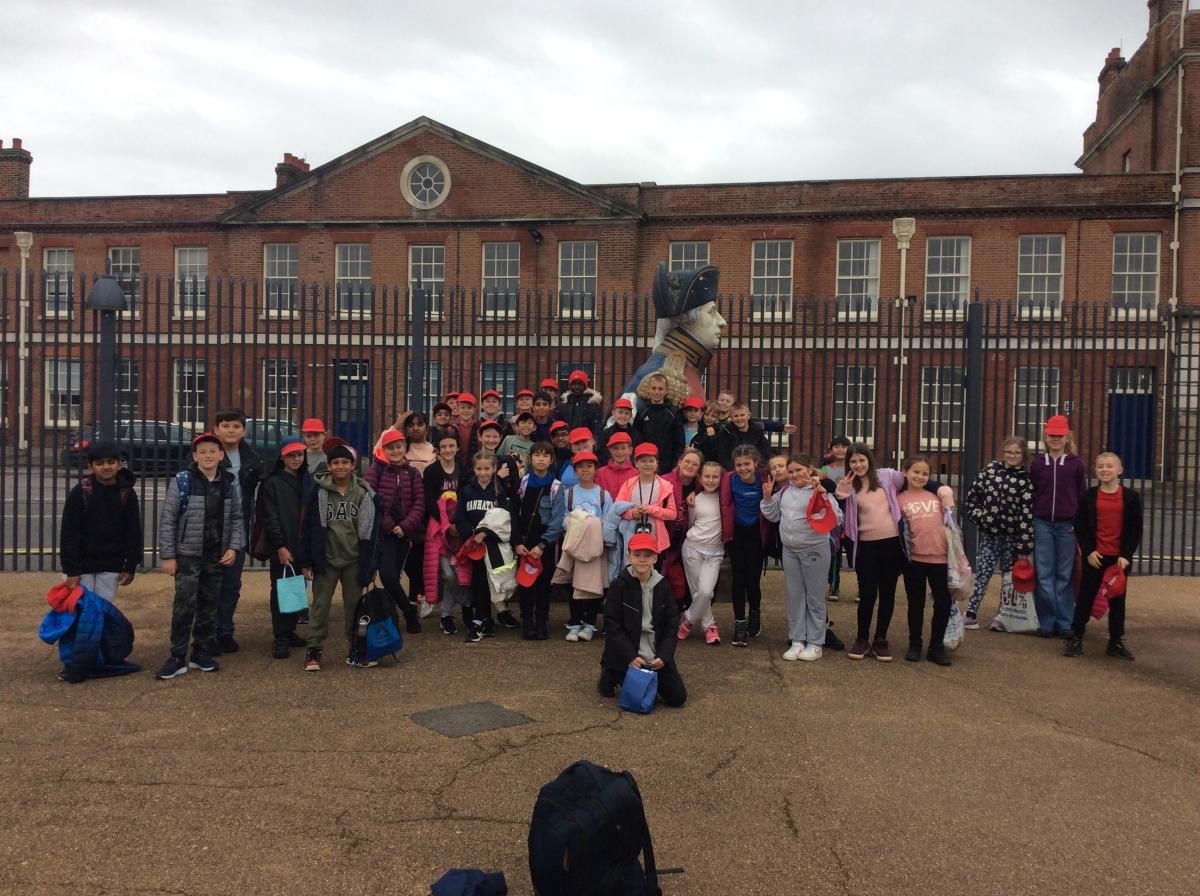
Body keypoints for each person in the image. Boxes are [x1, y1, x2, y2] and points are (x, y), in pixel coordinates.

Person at [154, 433, 244, 680]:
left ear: (221, 455)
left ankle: (201, 652)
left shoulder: (228, 482)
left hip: (215, 555)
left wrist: (233, 547)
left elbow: (237, 518)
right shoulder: (182, 481)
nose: (208, 456)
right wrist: (168, 555)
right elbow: (168, 519)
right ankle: (177, 656)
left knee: (209, 605)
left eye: (213, 451)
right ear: (194, 456)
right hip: (188, 556)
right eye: (202, 452)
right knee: (184, 606)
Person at [299, 443, 378, 671]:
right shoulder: (319, 491)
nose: (340, 466)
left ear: (353, 465)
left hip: (354, 559)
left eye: (345, 462)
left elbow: (370, 532)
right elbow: (308, 527)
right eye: (335, 463)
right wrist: (305, 559)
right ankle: (314, 648)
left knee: (354, 607)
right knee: (320, 605)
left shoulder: (363, 492)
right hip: (327, 558)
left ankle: (355, 648)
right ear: (329, 466)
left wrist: (371, 564)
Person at [760, 454, 843, 661]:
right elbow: (773, 516)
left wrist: (823, 495)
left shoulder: (818, 489)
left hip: (814, 548)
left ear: (810, 469)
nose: (795, 474)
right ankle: (797, 640)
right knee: (795, 595)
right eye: (791, 471)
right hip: (790, 550)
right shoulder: (785, 491)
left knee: (814, 597)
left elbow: (836, 518)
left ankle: (815, 643)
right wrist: (768, 498)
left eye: (799, 470)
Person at [1064, 452, 1143, 661]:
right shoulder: (1088, 496)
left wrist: (1126, 554)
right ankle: (1076, 637)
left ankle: (1115, 641)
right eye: (1100, 466)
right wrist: (1089, 550)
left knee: (1117, 602)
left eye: (1109, 466)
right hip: (1095, 556)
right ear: (1095, 470)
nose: (1104, 470)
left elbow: (1135, 529)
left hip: (1118, 560)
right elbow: (1081, 525)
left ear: (1119, 470)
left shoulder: (1131, 498)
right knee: (1085, 598)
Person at [597, 532, 687, 708]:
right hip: (628, 652)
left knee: (678, 698)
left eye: (647, 555)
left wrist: (664, 656)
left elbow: (671, 625)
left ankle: (647, 673)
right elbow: (612, 624)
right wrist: (630, 656)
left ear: (655, 558)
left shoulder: (663, 586)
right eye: (637, 555)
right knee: (635, 696)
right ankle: (610, 671)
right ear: (628, 556)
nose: (642, 560)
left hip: (655, 653)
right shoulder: (619, 585)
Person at [834, 444, 907, 663]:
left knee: (887, 594)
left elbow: (914, 478)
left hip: (891, 545)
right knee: (867, 594)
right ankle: (862, 638)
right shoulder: (848, 484)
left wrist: (941, 489)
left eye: (861, 460)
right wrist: (842, 495)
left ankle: (881, 639)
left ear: (869, 460)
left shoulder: (887, 476)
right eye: (853, 461)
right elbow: (839, 513)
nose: (858, 465)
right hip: (866, 547)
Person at [962, 437, 1034, 629]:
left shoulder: (1026, 480)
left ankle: (1003, 616)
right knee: (982, 573)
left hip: (1012, 538)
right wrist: (980, 516)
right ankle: (970, 614)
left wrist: (1024, 544)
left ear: (1023, 455)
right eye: (1009, 452)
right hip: (990, 535)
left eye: (1017, 452)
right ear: (1003, 453)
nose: (1012, 455)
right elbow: (973, 496)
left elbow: (1026, 514)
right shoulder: (990, 471)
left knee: (1008, 579)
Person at [59, 439, 142, 602]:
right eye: (99, 463)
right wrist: (71, 569)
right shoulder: (80, 492)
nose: (106, 467)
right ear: (90, 467)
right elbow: (69, 532)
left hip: (111, 564)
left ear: (119, 465)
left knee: (103, 608)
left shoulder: (126, 493)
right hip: (81, 565)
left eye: (111, 462)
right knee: (81, 609)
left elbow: (133, 531)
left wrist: (130, 565)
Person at [1030, 415, 1088, 638]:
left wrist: (1078, 522)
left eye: (1059, 435)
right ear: (1046, 437)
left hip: (1067, 525)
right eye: (1051, 435)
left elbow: (1082, 495)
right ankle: (1047, 621)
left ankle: (1065, 622)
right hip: (1042, 522)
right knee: (1044, 573)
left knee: (1065, 575)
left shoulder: (1076, 464)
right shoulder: (1037, 463)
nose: (1055, 439)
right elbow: (1033, 492)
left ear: (1066, 437)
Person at [213, 407, 265, 655]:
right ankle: (206, 633)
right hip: (209, 531)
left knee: (231, 585)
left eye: (236, 426)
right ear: (216, 429)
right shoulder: (205, 453)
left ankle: (224, 631)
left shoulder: (251, 459)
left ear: (243, 431)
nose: (231, 431)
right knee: (208, 585)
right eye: (225, 426)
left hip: (238, 529)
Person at [364, 430, 426, 634]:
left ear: (404, 447)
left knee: (394, 577)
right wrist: (390, 526)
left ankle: (393, 618)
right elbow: (370, 499)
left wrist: (406, 526)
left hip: (405, 533)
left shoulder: (412, 473)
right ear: (384, 449)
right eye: (391, 448)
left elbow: (419, 502)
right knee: (388, 575)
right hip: (384, 533)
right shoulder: (376, 470)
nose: (396, 451)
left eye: (399, 446)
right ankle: (408, 610)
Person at [897, 455, 956, 666]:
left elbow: (950, 521)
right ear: (905, 472)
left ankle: (936, 646)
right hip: (914, 559)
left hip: (940, 558)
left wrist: (946, 493)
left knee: (943, 603)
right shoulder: (899, 499)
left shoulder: (936, 495)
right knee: (916, 603)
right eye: (915, 472)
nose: (920, 476)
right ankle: (915, 644)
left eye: (925, 473)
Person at [260, 436, 310, 659]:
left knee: (296, 587)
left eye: (299, 455)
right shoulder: (272, 483)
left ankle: (289, 630)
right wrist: (280, 545)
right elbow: (270, 517)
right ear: (282, 457)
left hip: (301, 542)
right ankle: (280, 635)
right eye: (291, 455)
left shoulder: (306, 479)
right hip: (283, 545)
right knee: (281, 589)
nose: (296, 459)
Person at [454, 451, 512, 642]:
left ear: (494, 468)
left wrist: (484, 533)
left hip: (492, 545)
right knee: (477, 581)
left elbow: (504, 518)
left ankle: (488, 618)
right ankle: (480, 618)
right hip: (473, 546)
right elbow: (459, 517)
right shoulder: (466, 491)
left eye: (487, 468)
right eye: (479, 468)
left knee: (491, 582)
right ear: (474, 469)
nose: (483, 472)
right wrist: (470, 535)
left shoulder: (499, 491)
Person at [512, 441, 567, 640]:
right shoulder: (523, 483)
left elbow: (557, 520)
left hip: (545, 545)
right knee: (525, 584)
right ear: (530, 458)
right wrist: (517, 542)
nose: (541, 459)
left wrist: (542, 545)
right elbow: (514, 514)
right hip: (525, 543)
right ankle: (527, 622)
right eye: (537, 455)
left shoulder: (556, 487)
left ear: (551, 460)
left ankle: (542, 623)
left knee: (544, 584)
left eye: (545, 455)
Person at [557, 450, 612, 641]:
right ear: (575, 470)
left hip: (594, 549)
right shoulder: (569, 494)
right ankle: (575, 622)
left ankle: (589, 624)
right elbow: (564, 518)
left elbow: (608, 521)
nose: (585, 470)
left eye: (589, 466)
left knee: (591, 587)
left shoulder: (603, 494)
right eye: (580, 466)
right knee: (574, 586)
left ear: (596, 469)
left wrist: (591, 524)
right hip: (574, 547)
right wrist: (576, 522)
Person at [677, 460, 729, 645]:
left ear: (721, 478)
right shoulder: (695, 499)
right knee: (697, 592)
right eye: (707, 476)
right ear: (700, 478)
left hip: (714, 552)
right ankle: (710, 626)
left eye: (715, 476)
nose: (711, 480)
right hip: (692, 548)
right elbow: (691, 524)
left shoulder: (725, 499)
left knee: (706, 592)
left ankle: (688, 619)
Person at [423, 430, 468, 635]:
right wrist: (446, 525)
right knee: (449, 575)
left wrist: (457, 523)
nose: (448, 450)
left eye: (451, 446)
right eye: (443, 447)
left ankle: (446, 615)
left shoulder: (463, 470)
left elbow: (465, 498)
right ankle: (466, 605)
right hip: (439, 529)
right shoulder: (431, 471)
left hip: (458, 528)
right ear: (438, 450)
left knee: (460, 572)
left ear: (457, 448)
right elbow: (429, 501)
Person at [726, 445, 768, 646]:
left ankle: (755, 612)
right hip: (737, 534)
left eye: (747, 464)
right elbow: (706, 482)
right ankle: (740, 623)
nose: (743, 468)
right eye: (739, 465)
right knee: (738, 580)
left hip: (756, 535)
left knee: (753, 581)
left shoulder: (764, 479)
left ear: (755, 464)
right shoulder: (729, 480)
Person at [614, 443, 678, 555]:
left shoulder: (665, 487)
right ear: (636, 463)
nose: (647, 464)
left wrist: (651, 509)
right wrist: (632, 513)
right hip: (631, 538)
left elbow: (672, 514)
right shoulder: (628, 484)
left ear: (657, 463)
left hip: (656, 540)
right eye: (643, 461)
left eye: (651, 461)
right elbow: (617, 509)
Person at [633, 372, 686, 471]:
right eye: (653, 388)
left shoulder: (673, 412)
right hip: (647, 462)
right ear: (648, 389)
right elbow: (636, 438)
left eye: (660, 389)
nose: (656, 392)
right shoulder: (642, 411)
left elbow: (679, 441)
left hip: (668, 464)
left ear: (666, 391)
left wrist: (677, 463)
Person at [820, 436, 852, 599]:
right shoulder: (825, 469)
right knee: (835, 549)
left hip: (851, 510)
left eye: (844, 446)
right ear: (831, 450)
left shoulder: (854, 468)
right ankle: (834, 585)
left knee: (855, 550)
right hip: (832, 511)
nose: (840, 449)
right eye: (836, 446)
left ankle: (862, 587)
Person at [554, 369, 603, 438]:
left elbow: (597, 429)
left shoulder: (593, 406)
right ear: (570, 386)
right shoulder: (562, 406)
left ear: (585, 386)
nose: (577, 387)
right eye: (574, 384)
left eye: (580, 384)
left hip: (585, 441)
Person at [597, 397, 639, 464]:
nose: (623, 416)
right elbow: (602, 454)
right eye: (620, 412)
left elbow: (637, 454)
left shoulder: (636, 434)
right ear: (613, 413)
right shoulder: (605, 434)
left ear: (630, 416)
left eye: (626, 413)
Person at [597, 431, 637, 499]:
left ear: (630, 450)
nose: (619, 452)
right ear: (610, 450)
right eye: (615, 448)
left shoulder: (636, 474)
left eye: (623, 448)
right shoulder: (600, 473)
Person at [452, 392, 481, 465]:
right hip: (455, 466)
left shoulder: (479, 427)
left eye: (469, 408)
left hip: (475, 465)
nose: (466, 411)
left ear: (474, 410)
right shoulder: (451, 428)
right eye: (463, 407)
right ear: (458, 409)